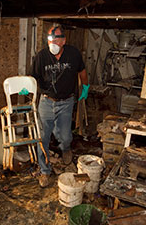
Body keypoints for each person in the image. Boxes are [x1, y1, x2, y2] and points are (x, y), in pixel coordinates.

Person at [31, 25, 89, 187]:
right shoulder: (41, 56)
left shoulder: (73, 54)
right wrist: (27, 88)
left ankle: (65, 149)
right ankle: (44, 171)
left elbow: (82, 71)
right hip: (46, 101)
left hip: (66, 102)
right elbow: (33, 77)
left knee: (65, 136)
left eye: (56, 39)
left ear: (64, 40)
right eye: (50, 39)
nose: (52, 42)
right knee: (42, 138)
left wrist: (85, 88)